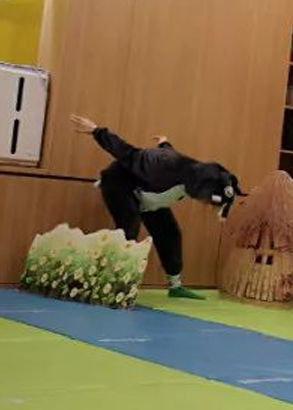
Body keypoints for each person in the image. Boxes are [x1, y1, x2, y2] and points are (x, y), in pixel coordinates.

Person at [70, 114, 244, 300]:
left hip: (149, 197)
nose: (205, 203)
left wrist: (164, 143)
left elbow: (172, 153)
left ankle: (175, 286)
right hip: (120, 184)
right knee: (129, 228)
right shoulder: (162, 163)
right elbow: (128, 153)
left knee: (170, 233)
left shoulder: (192, 172)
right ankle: (112, 284)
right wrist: (97, 131)